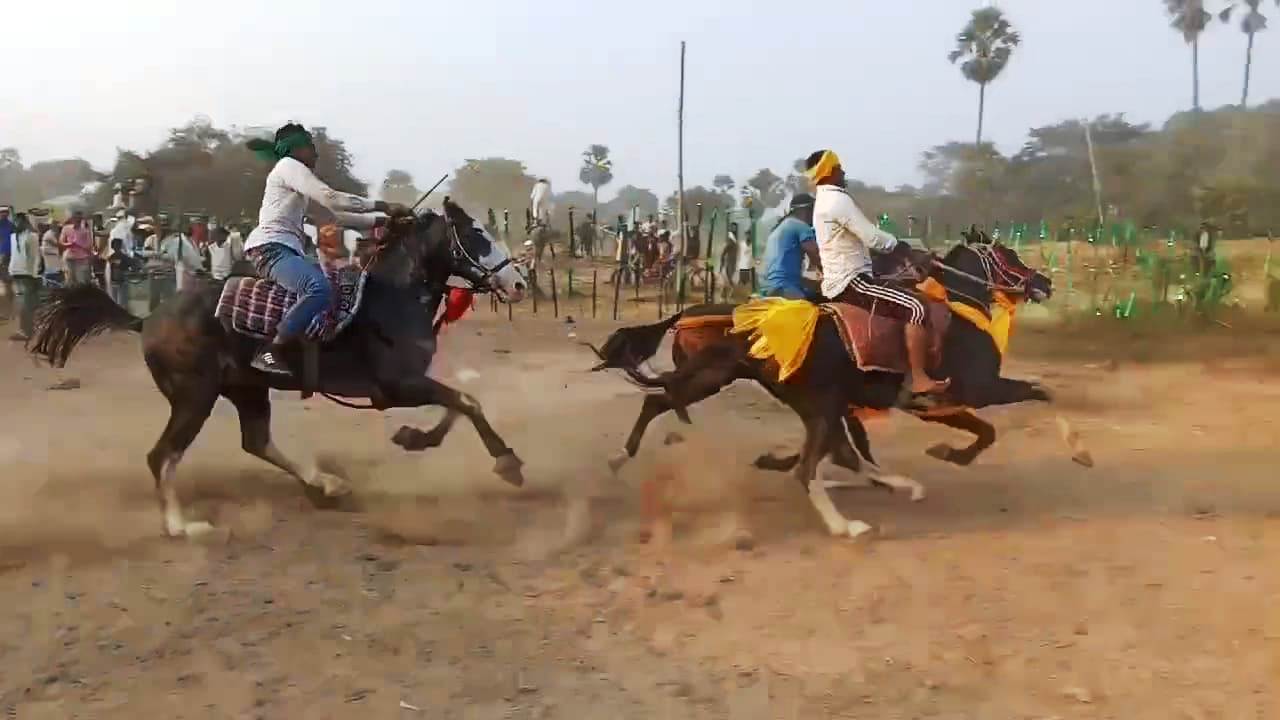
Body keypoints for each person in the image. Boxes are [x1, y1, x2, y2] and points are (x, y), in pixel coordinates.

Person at [243, 123, 406, 376]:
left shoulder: (295, 182)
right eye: (311, 148)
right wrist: (384, 206)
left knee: (343, 283)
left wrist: (384, 221)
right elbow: (332, 198)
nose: (315, 154)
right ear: (295, 149)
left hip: (284, 250)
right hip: (271, 249)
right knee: (318, 288)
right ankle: (271, 350)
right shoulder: (289, 166)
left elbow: (334, 218)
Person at [806, 149, 947, 399]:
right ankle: (918, 378)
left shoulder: (826, 200)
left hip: (852, 277)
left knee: (906, 291)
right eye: (840, 167)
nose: (844, 172)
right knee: (916, 307)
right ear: (830, 172)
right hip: (851, 283)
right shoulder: (837, 200)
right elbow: (872, 237)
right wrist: (906, 250)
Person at [761, 193, 822, 301]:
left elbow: (782, 272)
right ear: (806, 210)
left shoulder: (779, 228)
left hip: (768, 288)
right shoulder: (801, 226)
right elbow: (816, 256)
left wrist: (815, 284)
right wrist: (833, 277)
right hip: (783, 288)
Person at [8, 210, 42, 340]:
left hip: (28, 274)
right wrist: (11, 270)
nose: (17, 223)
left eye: (20, 221)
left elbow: (35, 256)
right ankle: (28, 329)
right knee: (26, 302)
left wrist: (34, 274)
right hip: (17, 272)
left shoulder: (31, 236)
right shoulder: (13, 236)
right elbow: (15, 256)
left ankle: (26, 331)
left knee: (27, 303)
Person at [59, 210, 95, 285]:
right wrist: (69, 244)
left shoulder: (85, 231)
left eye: (79, 218)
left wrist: (78, 245)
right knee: (70, 281)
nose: (77, 220)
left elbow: (89, 245)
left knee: (80, 281)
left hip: (81, 259)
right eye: (75, 218)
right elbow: (61, 242)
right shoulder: (66, 228)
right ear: (72, 219)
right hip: (69, 258)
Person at [40, 216, 63, 284]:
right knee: (53, 284)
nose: (56, 226)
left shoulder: (58, 234)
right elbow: (57, 245)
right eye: (54, 224)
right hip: (51, 267)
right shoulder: (48, 235)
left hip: (59, 266)